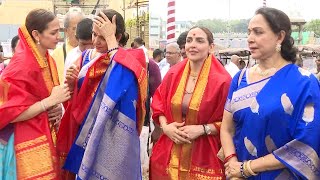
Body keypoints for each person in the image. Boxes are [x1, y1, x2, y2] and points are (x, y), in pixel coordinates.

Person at [221, 7, 320, 179]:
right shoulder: (240, 78)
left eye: (258, 32)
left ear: (280, 37)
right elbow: (227, 128)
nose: (250, 39)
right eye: (249, 32)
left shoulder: (304, 82)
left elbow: (305, 143)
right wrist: (232, 164)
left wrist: (247, 167)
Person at [57, 9, 147, 180]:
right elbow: (77, 101)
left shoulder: (133, 58)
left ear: (117, 37)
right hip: (88, 134)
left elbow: (124, 79)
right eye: (94, 34)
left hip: (116, 135)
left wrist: (110, 38)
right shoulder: (85, 58)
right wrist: (72, 83)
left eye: (103, 36)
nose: (95, 41)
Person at [150, 26, 231, 179]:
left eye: (199, 41)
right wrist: (166, 127)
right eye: (189, 40)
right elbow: (158, 102)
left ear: (211, 47)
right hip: (169, 147)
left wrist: (203, 129)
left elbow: (231, 122)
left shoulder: (223, 80)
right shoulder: (173, 73)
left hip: (204, 153)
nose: (192, 45)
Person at [0, 8, 71, 179]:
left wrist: (55, 107)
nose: (58, 37)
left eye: (59, 32)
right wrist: (49, 102)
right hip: (19, 141)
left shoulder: (48, 59)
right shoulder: (20, 65)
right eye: (53, 33)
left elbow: (48, 99)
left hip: (44, 133)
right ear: (36, 34)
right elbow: (6, 112)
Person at [52, 10, 84, 83]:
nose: (77, 33)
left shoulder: (93, 51)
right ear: (66, 30)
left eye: (80, 28)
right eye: (74, 28)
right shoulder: (57, 54)